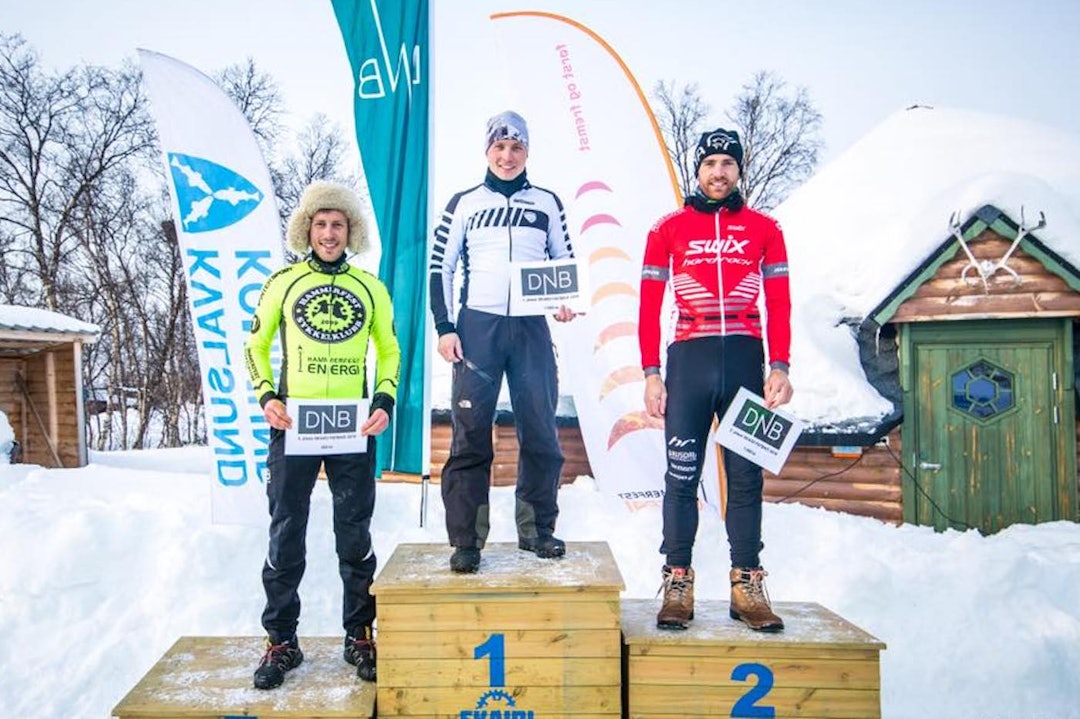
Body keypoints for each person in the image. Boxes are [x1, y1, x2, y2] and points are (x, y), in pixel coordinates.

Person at [244, 181, 400, 688]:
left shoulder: (371, 287)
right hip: (295, 425)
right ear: (306, 229)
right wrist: (268, 395)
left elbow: (390, 350)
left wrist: (384, 398)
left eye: (337, 224)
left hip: (353, 426)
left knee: (354, 534)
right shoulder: (282, 282)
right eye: (320, 224)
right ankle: (281, 642)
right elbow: (257, 343)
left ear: (349, 230)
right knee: (287, 532)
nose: (329, 233)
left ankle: (360, 634)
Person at [638, 128, 793, 632]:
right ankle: (678, 580)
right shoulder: (668, 229)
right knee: (681, 476)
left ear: (739, 171)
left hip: (747, 359)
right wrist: (651, 373)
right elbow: (648, 305)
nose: (719, 172)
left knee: (745, 478)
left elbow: (780, 302)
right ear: (697, 171)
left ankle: (747, 584)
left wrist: (781, 365)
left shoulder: (765, 229)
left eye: (728, 163)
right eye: (711, 164)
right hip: (688, 359)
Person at [429, 110, 577, 574]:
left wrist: (565, 300)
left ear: (527, 152)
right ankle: (466, 540)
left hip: (532, 328)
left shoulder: (548, 203)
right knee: (470, 435)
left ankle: (537, 530)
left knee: (540, 431)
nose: (507, 156)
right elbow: (441, 268)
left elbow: (564, 259)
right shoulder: (464, 203)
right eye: (499, 148)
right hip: (479, 329)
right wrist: (445, 326)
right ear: (487, 151)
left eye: (516, 148)